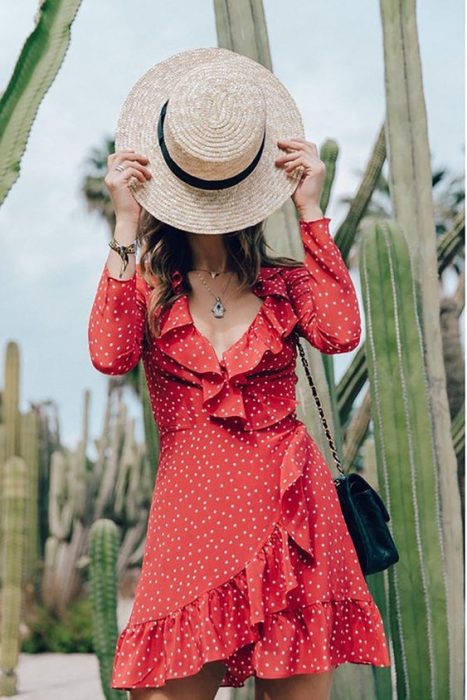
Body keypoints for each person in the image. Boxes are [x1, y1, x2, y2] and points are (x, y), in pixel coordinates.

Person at [88, 47, 390, 700]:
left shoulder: (283, 281)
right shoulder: (147, 286)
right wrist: (122, 222)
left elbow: (340, 332)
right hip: (192, 520)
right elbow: (110, 354)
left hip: (290, 514)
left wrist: (311, 210)